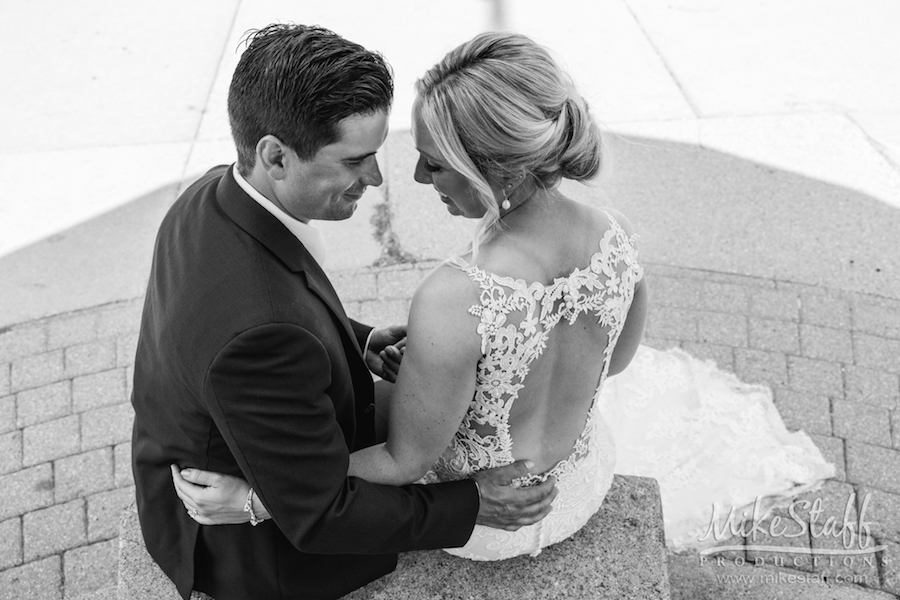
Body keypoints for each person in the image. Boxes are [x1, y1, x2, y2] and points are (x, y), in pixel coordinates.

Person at [176, 30, 837, 561]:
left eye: (433, 161)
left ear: (487, 165)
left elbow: (406, 463)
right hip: (578, 481)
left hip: (492, 523)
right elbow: (621, 360)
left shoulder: (454, 298)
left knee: (351, 415)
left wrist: (261, 497)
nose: (411, 175)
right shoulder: (615, 234)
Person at [131, 24, 556, 600]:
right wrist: (475, 503)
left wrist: (356, 340)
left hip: (233, 422)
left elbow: (277, 311)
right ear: (275, 156)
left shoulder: (211, 195)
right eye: (356, 161)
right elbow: (320, 515)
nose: (377, 179)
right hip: (246, 546)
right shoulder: (261, 335)